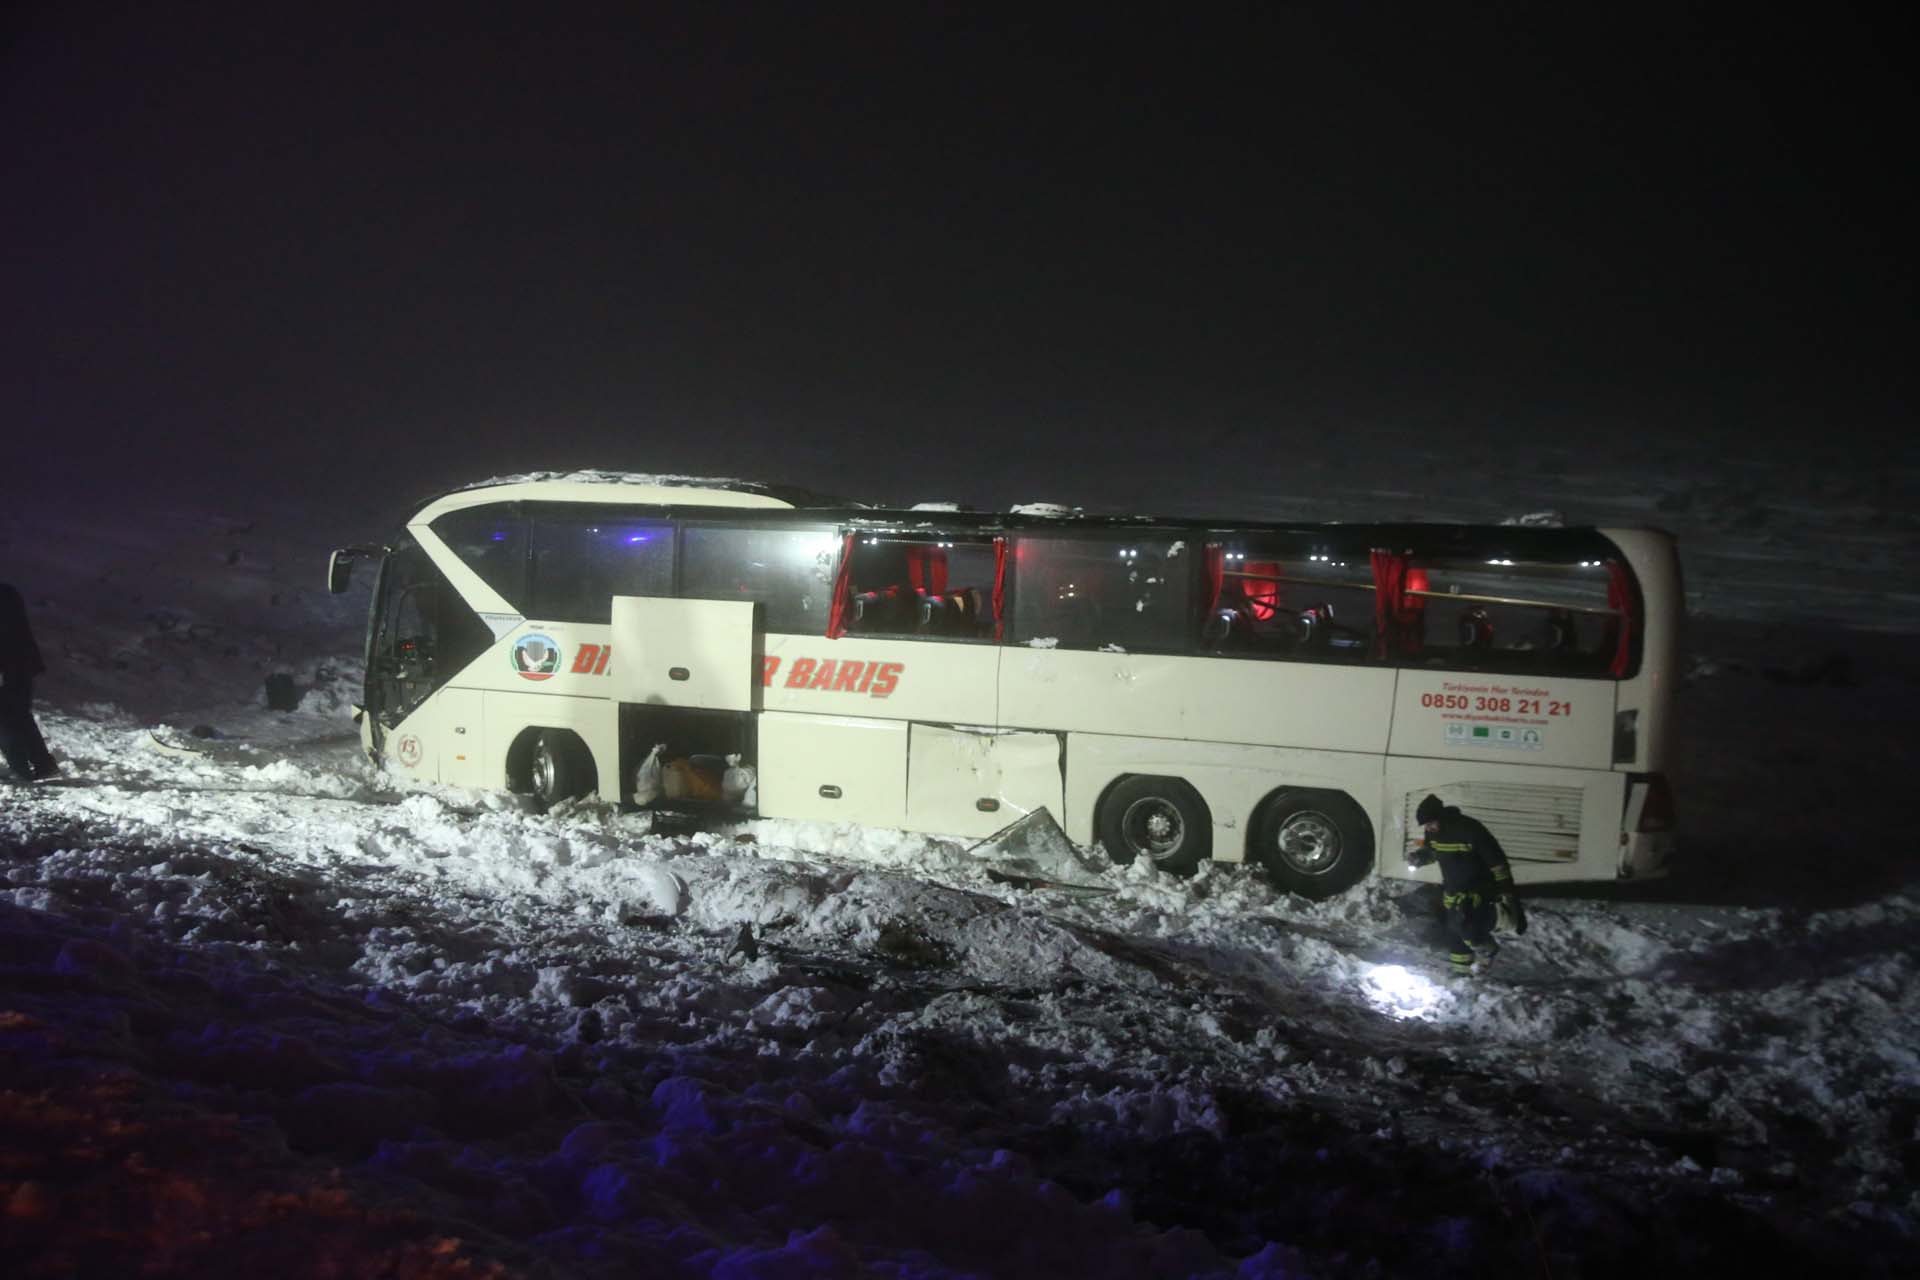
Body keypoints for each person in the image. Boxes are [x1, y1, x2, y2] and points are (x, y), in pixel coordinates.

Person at [1407, 793, 1525, 975]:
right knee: (1455, 936)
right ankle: (1461, 974)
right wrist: (1419, 858)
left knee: (1465, 927)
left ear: (1441, 817)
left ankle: (1488, 950)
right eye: (1426, 825)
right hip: (1452, 891)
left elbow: (1497, 862)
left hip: (1477, 891)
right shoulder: (1433, 832)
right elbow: (1433, 851)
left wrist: (1506, 891)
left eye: (1430, 823)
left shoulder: (1470, 830)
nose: (1428, 828)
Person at [0, 582, 58, 782]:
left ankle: (20, 770)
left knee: (6, 719)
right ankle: (43, 765)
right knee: (19, 716)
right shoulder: (7, 592)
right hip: (20, 665)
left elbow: (5, 636)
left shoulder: (4, 596)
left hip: (9, 667)